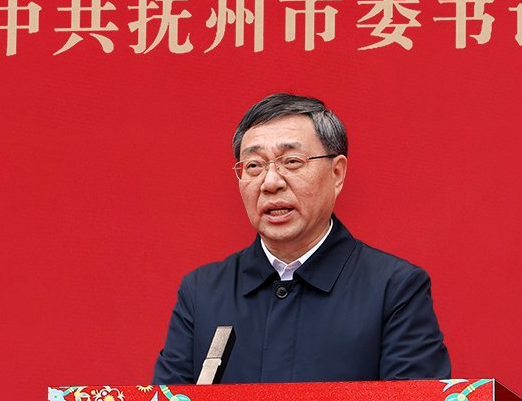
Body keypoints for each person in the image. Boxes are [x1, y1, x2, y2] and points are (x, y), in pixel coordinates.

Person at [152, 92, 450, 384]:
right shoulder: (202, 293)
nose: (270, 182)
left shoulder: (394, 289)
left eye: (292, 161)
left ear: (337, 173)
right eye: (254, 166)